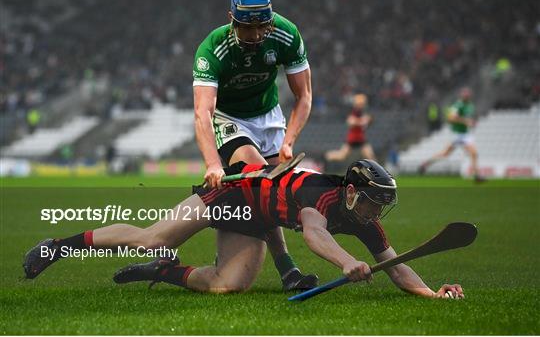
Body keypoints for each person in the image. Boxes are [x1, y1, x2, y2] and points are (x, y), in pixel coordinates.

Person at [23, 159, 464, 299]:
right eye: (371, 201)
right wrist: (348, 262)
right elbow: (314, 233)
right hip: (233, 196)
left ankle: (161, 271)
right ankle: (59, 246)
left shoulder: (366, 225)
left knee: (225, 287)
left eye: (380, 206)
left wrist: (430, 294)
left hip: (256, 218)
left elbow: (395, 265)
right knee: (153, 236)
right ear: (352, 192)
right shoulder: (323, 196)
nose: (374, 212)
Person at [192, 0, 314, 290]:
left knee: (271, 196)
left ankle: (235, 260)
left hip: (270, 118)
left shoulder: (286, 34)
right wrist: (211, 163)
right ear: (232, 19)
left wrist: (288, 141)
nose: (257, 35)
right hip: (230, 119)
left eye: (263, 26)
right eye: (248, 28)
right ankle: (288, 269)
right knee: (264, 182)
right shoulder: (213, 48)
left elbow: (305, 96)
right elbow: (203, 113)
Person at [419, 87, 485, 182]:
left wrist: (472, 122)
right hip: (457, 134)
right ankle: (426, 163)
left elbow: (469, 118)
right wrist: (465, 121)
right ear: (462, 95)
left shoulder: (470, 105)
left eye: (467, 94)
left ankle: (477, 176)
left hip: (466, 134)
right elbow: (450, 118)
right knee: (445, 154)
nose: (466, 95)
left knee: (474, 153)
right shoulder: (458, 105)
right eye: (464, 94)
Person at [325, 94, 376, 162]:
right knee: (341, 156)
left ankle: (376, 171)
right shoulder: (353, 112)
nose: (362, 106)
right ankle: (326, 156)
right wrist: (362, 121)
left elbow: (369, 120)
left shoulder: (362, 113)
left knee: (370, 156)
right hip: (352, 139)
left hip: (361, 139)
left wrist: (367, 120)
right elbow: (350, 122)